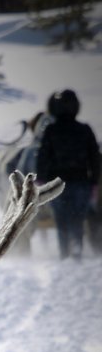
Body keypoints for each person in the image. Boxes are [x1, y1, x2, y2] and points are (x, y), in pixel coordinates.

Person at [36, 89, 100, 260]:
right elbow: (95, 158)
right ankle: (76, 249)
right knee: (77, 220)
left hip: (57, 186)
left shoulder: (50, 130)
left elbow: (42, 157)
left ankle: (64, 253)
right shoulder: (85, 130)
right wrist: (94, 183)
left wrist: (41, 181)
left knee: (61, 220)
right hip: (81, 185)